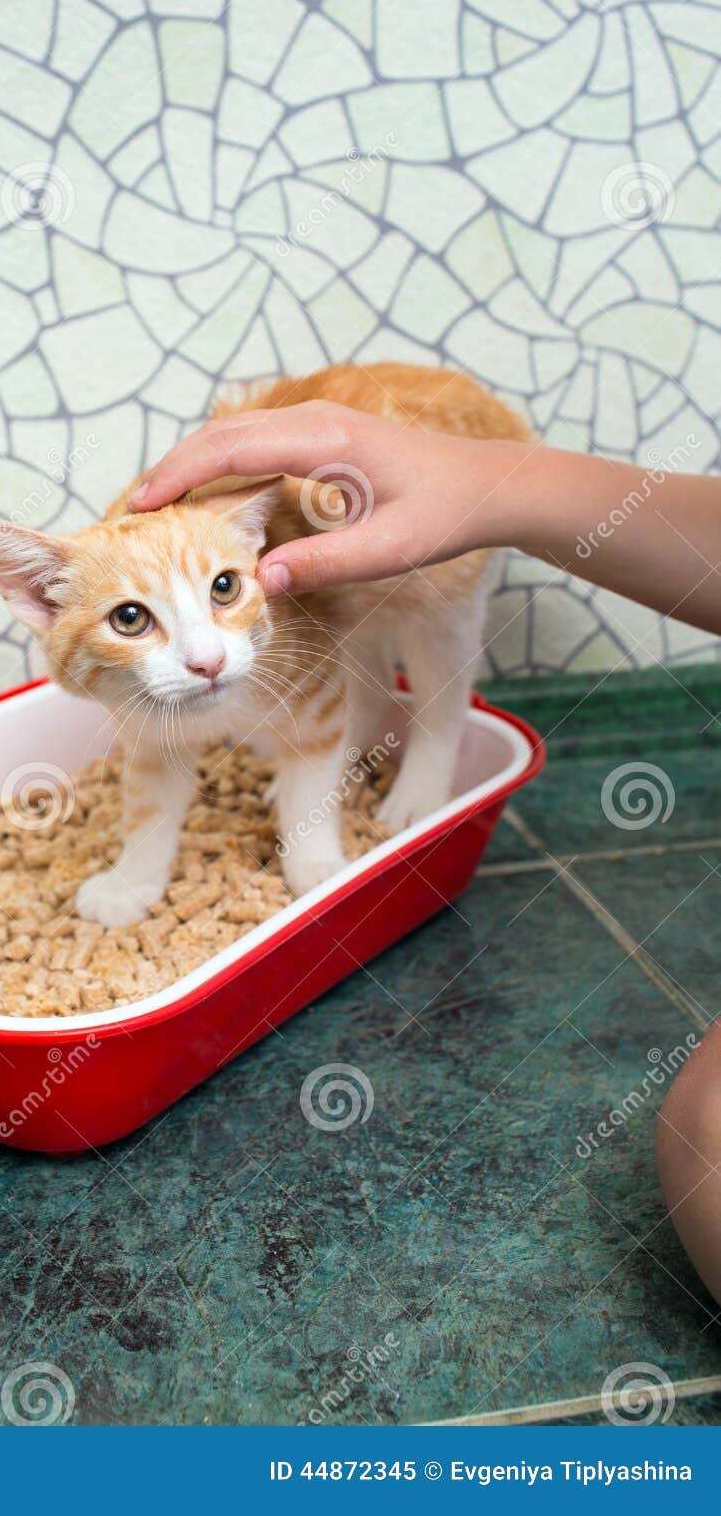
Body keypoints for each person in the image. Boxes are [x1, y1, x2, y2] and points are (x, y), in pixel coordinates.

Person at [128, 396, 721, 1302]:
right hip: (434, 500)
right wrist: (507, 486)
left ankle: (435, 743)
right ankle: (389, 745)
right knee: (348, 642)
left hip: (430, 509)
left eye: (216, 596)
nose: (201, 655)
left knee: (425, 620)